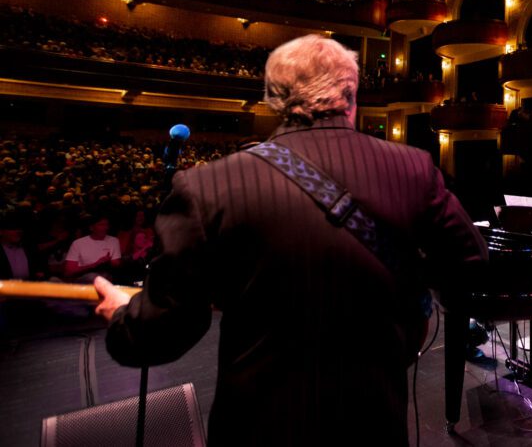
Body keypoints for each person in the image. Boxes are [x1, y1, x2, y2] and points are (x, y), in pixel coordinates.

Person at [93, 34, 487, 446]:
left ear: (274, 100)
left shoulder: (206, 186)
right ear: (351, 96)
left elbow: (162, 332)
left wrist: (124, 315)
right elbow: (470, 262)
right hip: (371, 422)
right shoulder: (412, 168)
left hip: (259, 424)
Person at [64, 215, 121, 282]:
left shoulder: (113, 241)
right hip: (84, 277)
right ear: (91, 228)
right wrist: (95, 265)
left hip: (106, 275)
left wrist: (107, 262)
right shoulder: (78, 243)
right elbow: (69, 270)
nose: (105, 228)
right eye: (101, 225)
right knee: (94, 277)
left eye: (106, 225)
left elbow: (116, 263)